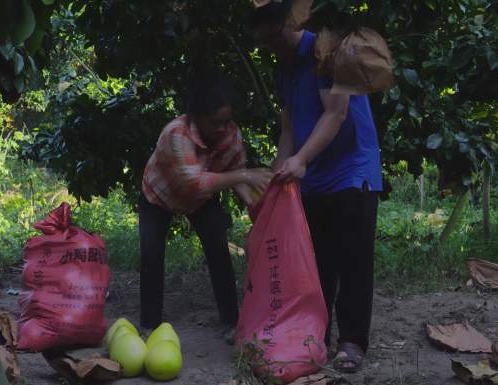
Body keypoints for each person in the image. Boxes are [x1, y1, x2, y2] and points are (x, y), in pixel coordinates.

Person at [253, 1, 383, 373]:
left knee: (353, 261)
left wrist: (302, 160)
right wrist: (280, 170)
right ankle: (316, 336)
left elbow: (336, 113)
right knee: (316, 263)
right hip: (314, 179)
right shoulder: (285, 67)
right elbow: (290, 128)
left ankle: (353, 342)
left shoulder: (329, 49)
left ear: (286, 27)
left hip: (351, 171)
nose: (267, 47)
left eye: (269, 38)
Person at [139, 74, 273, 331]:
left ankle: (232, 323)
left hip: (200, 200)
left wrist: (253, 202)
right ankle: (149, 326)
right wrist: (244, 175)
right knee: (151, 256)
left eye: (226, 121)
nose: (222, 128)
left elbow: (237, 174)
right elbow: (194, 182)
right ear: (196, 117)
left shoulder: (231, 135)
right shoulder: (176, 133)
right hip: (158, 195)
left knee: (219, 250)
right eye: (215, 123)